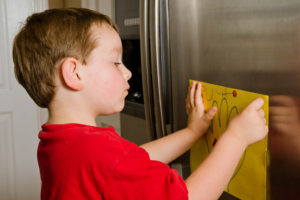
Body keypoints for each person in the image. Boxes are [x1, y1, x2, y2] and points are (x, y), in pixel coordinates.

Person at [12, 8, 268, 200]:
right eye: (115, 62)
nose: (128, 73)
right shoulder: (99, 153)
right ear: (75, 73)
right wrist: (236, 137)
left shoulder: (59, 141)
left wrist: (192, 133)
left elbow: (134, 160)